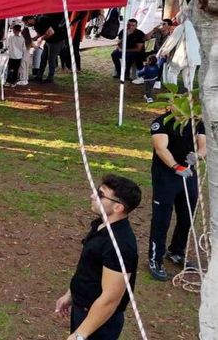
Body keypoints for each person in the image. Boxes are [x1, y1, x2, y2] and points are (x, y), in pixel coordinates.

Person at [55, 174, 142, 340]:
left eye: (100, 195)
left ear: (118, 208)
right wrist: (70, 295)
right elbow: (88, 269)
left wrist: (80, 335)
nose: (92, 195)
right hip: (83, 309)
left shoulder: (120, 245)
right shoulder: (101, 225)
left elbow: (110, 299)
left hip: (99, 321)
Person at [147, 110, 206, 281]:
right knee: (162, 218)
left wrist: (198, 156)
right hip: (165, 176)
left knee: (188, 214)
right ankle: (155, 259)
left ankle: (176, 251)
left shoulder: (196, 121)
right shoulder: (161, 122)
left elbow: (203, 143)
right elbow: (160, 148)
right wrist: (175, 167)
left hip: (188, 174)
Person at [25, 13, 66, 84]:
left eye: (26, 22)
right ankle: (39, 76)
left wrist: (41, 38)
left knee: (51, 59)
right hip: (48, 41)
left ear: (30, 19)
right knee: (43, 58)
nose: (26, 24)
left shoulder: (42, 20)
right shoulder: (36, 24)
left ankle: (50, 78)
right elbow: (40, 33)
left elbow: (51, 32)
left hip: (56, 41)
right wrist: (33, 38)